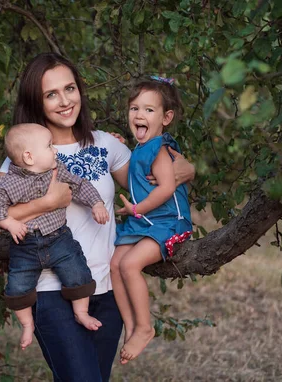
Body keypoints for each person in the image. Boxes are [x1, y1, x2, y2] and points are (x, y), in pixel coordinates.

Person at [0, 52, 194, 381]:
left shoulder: (108, 145)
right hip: (52, 293)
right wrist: (46, 203)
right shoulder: (26, 157)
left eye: (70, 88)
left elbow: (153, 182)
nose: (65, 101)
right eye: (51, 94)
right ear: (37, 101)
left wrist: (186, 168)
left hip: (105, 292)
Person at [0, 123, 110, 350]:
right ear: (29, 157)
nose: (55, 150)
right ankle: (27, 324)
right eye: (49, 146)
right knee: (17, 286)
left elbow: (80, 184)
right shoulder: (8, 181)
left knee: (77, 270)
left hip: (58, 238)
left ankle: (81, 312)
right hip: (25, 245)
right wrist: (8, 222)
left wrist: (97, 203)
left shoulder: (56, 169)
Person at [111, 77, 193, 364]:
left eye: (148, 110)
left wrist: (135, 209)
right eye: (134, 108)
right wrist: (118, 150)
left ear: (166, 118)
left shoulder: (160, 148)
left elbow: (167, 187)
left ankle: (145, 327)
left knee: (130, 264)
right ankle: (131, 326)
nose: (139, 115)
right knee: (115, 264)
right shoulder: (140, 150)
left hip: (168, 222)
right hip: (144, 222)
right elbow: (130, 182)